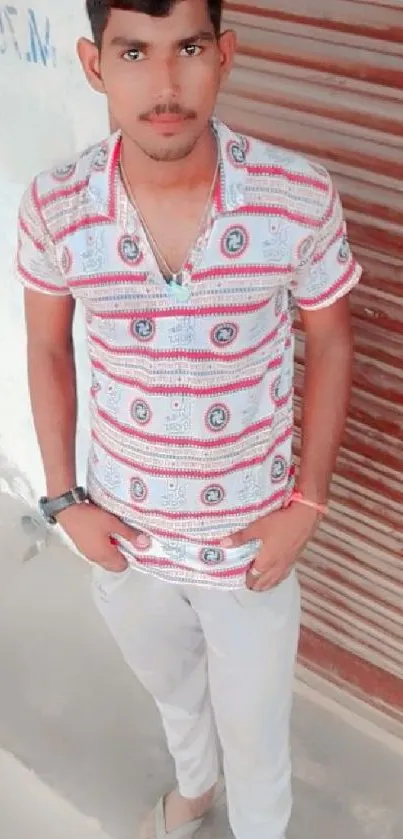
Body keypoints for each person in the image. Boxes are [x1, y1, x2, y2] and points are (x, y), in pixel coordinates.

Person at [16, 0, 362, 836]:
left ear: (225, 55)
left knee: (258, 735)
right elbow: (47, 349)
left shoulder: (295, 195)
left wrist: (305, 506)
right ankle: (194, 789)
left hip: (249, 546)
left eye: (189, 48)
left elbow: (331, 339)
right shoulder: (56, 205)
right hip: (127, 540)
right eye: (134, 52)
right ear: (94, 64)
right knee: (175, 694)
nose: (165, 83)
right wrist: (66, 501)